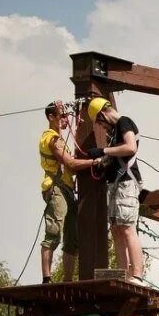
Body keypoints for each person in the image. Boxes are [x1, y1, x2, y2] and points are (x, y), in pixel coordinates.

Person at [84, 97, 146, 283]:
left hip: (127, 183)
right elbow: (116, 154)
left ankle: (137, 274)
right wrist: (102, 163)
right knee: (116, 229)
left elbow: (130, 147)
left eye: (100, 123)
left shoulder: (123, 122)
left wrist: (104, 151)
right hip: (116, 183)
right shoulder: (114, 134)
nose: (103, 128)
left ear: (102, 114)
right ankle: (123, 274)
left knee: (127, 228)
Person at [36, 101, 96, 283]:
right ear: (50, 117)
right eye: (61, 116)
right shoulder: (50, 138)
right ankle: (47, 278)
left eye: (65, 116)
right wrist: (96, 162)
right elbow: (69, 163)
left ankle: (68, 280)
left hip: (67, 189)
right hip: (56, 188)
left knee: (72, 238)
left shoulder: (60, 140)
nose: (64, 119)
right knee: (54, 232)